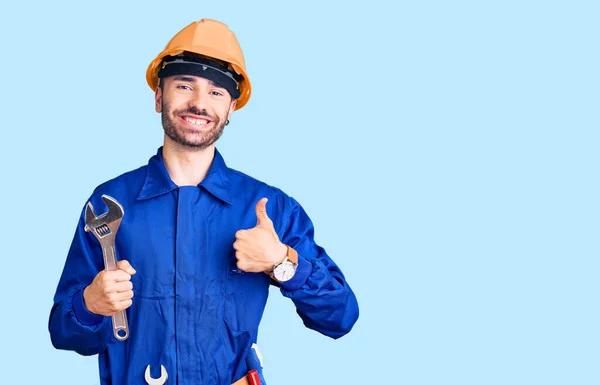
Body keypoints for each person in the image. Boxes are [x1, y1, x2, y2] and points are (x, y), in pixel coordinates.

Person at [48, 18, 359, 385]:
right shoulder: (109, 202)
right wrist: (90, 304)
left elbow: (340, 316)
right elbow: (64, 334)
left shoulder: (269, 208)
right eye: (184, 85)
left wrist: (281, 262)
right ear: (159, 96)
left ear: (231, 109)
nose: (198, 103)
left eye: (216, 92)